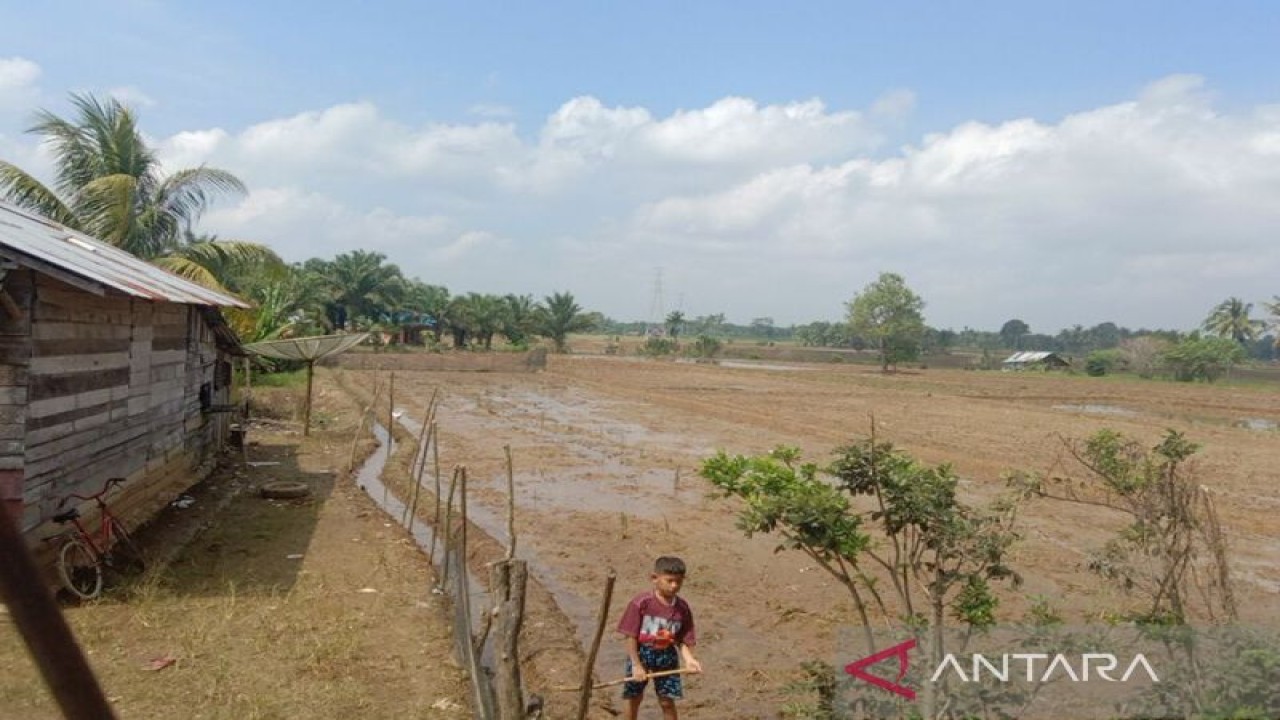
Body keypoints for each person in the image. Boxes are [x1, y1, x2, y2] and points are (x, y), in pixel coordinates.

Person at [616, 555, 703, 720]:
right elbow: (631, 637)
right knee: (634, 698)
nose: (674, 586)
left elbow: (682, 640)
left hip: (667, 656)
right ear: (654, 578)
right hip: (641, 653)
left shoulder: (682, 608)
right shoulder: (641, 603)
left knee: (667, 701)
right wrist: (636, 665)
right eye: (669, 580)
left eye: (678, 581)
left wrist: (689, 659)